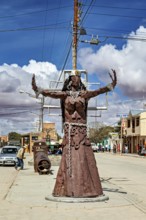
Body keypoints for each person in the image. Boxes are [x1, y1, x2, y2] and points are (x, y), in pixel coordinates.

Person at [32, 69, 117, 197]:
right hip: (70, 132)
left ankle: (87, 188)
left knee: (83, 160)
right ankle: (67, 189)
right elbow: (50, 93)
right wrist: (37, 89)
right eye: (74, 77)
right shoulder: (65, 95)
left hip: (81, 131)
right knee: (70, 160)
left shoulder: (84, 94)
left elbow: (98, 92)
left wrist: (111, 85)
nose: (76, 79)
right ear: (70, 80)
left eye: (78, 77)